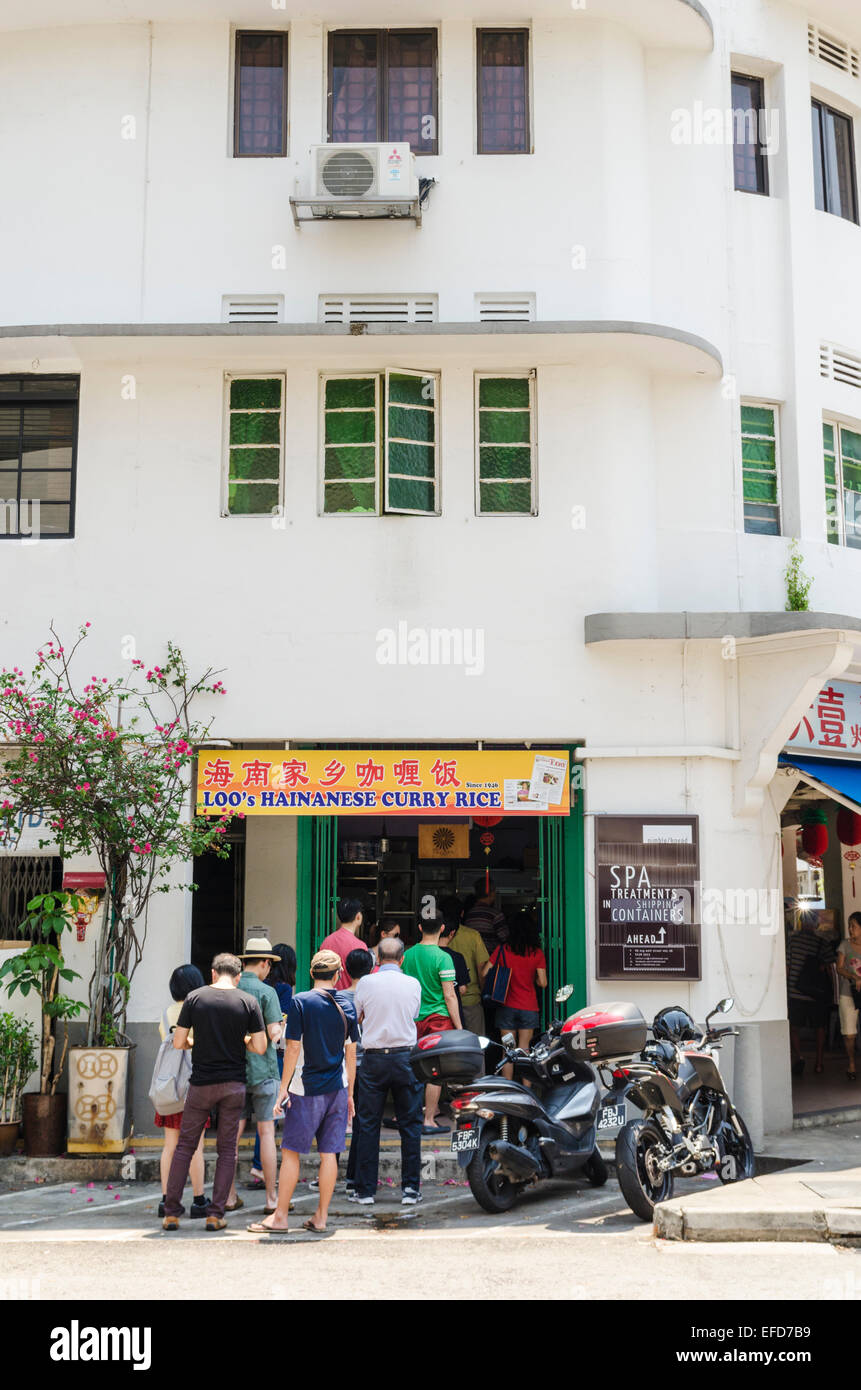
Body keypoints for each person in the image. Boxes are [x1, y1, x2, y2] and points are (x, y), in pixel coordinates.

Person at [249, 949, 358, 1236]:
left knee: (292, 1152)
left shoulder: (300, 1002)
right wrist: (350, 1095)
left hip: (305, 1089)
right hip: (338, 1088)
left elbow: (293, 1047)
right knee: (329, 1154)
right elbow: (351, 1052)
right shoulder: (347, 1004)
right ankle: (320, 1217)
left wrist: (282, 1089)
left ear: (312, 973)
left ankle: (281, 1217)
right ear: (338, 975)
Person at [163, 953, 267, 1232]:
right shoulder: (248, 1001)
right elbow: (260, 1046)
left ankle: (171, 1212)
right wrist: (242, 1038)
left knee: (184, 1146)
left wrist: (197, 1042)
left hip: (201, 1085)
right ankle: (215, 1214)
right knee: (226, 1151)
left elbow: (178, 1041)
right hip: (233, 1086)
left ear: (212, 973)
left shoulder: (195, 998)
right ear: (236, 976)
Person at [349, 935, 424, 1208]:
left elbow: (356, 1017)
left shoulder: (367, 983)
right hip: (406, 1057)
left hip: (374, 1059)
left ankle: (366, 1191)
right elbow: (414, 1014)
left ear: (377, 959)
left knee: (368, 1124)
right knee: (411, 1125)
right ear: (402, 959)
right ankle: (410, 1190)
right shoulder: (412, 983)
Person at [225, 933, 284, 1215]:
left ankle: (229, 1196)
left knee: (231, 1137)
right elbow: (274, 1035)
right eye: (269, 964)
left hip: (233, 1072)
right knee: (267, 1132)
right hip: (264, 1071)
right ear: (263, 963)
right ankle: (272, 1198)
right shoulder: (267, 992)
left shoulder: (229, 991)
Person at [154, 963, 208, 1220]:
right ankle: (199, 1200)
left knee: (170, 1145)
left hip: (170, 1087)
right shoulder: (200, 1011)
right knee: (196, 1146)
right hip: (194, 1086)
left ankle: (167, 1200)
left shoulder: (166, 1014)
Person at [401, 913, 460, 1133]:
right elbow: (450, 996)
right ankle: (428, 1119)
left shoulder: (407, 955)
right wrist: (459, 1026)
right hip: (439, 1019)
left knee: (412, 1068)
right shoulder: (444, 957)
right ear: (443, 928)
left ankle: (405, 1116)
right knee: (434, 1071)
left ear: (419, 927)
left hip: (413, 1019)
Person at [247, 943, 296, 1189]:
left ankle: (254, 1167)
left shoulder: (239, 985)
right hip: (270, 1056)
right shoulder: (282, 989)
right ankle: (260, 1165)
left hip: (242, 1058)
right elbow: (280, 1025)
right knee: (269, 1118)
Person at [490, 910, 547, 1078]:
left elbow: (486, 971)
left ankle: (508, 1088)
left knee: (508, 1051)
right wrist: (532, 980)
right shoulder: (536, 953)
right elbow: (543, 983)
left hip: (506, 1005)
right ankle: (526, 1089)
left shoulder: (502, 950)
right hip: (528, 1006)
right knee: (525, 1049)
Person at [786, 911, 836, 1077]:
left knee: (794, 1027)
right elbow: (830, 969)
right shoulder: (823, 943)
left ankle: (799, 1056)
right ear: (816, 924)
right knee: (819, 1028)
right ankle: (819, 1063)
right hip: (817, 994)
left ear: (800, 921)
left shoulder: (792, 941)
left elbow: (787, 967)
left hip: (795, 991)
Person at [441, 894, 490, 1035]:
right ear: (462, 913)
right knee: (476, 1045)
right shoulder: (473, 935)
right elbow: (482, 969)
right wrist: (481, 991)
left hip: (442, 1004)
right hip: (470, 999)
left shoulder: (434, 936)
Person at [319, 897, 365, 989]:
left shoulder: (327, 941)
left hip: (329, 998)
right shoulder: (360, 945)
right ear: (358, 916)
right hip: (350, 1000)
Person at [836, 912, 861, 1080]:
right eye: (849, 925)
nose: (850, 929)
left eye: (854, 926)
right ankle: (851, 1062)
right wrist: (853, 977)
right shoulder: (845, 944)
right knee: (849, 1033)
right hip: (848, 992)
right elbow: (839, 967)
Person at [438, 915, 469, 1027]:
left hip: (429, 1014)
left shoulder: (428, 954)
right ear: (452, 933)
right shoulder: (457, 957)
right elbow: (462, 989)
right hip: (452, 1014)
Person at [464, 876, 507, 951]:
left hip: (472, 958)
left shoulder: (469, 914)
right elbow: (505, 938)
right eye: (494, 891)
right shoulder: (495, 915)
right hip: (491, 958)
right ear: (490, 893)